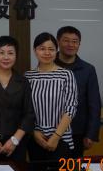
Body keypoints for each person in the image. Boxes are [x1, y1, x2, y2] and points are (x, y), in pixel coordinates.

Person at [0, 36, 35, 161]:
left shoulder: (23, 82)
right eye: (1, 53)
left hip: (16, 143)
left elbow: (29, 114)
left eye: (10, 53)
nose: (6, 57)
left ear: (16, 56)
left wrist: (14, 140)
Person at [25, 32, 78, 161]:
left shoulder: (66, 75)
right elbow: (24, 109)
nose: (47, 53)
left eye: (51, 49)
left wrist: (56, 136)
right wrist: (34, 133)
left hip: (61, 139)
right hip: (35, 138)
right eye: (42, 49)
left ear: (56, 51)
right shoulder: (28, 76)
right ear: (35, 51)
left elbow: (71, 107)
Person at [55, 26, 101, 157]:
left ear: (79, 44)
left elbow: (94, 104)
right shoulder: (47, 65)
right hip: (50, 129)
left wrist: (91, 134)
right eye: (66, 40)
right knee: (48, 168)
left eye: (75, 41)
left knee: (72, 168)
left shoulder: (88, 69)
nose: (70, 45)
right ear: (58, 42)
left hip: (77, 131)